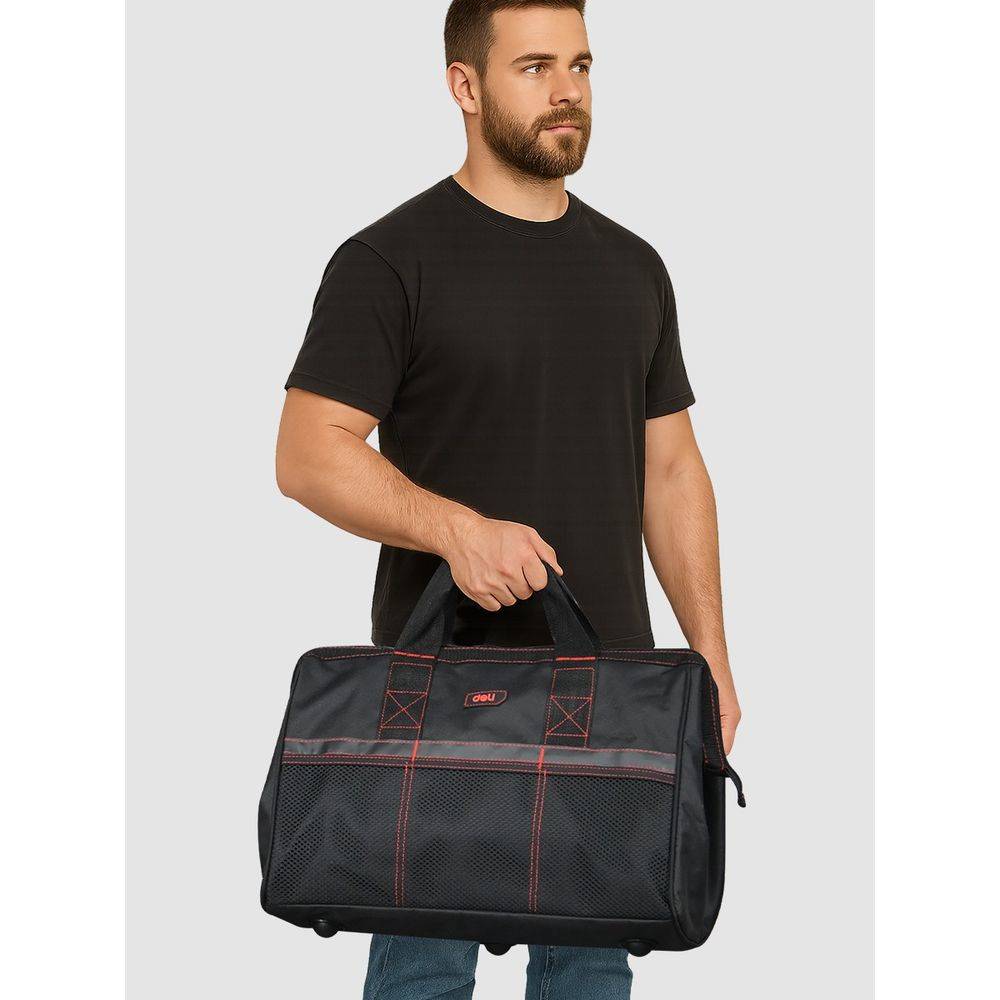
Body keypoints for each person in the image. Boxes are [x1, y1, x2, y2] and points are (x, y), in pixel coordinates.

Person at [275, 2, 741, 997]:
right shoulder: (388, 261)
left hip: (608, 696)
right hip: (443, 694)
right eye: (534, 67)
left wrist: (709, 659)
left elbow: (671, 470)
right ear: (465, 86)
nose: (567, 90)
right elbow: (308, 453)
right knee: (423, 974)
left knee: (590, 976)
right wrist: (457, 531)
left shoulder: (633, 268)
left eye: (580, 65)